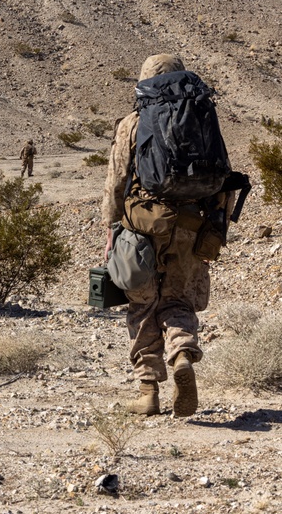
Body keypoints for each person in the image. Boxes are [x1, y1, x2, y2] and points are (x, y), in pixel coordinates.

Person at [102, 54, 230, 418]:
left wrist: (112, 229)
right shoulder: (202, 118)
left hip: (142, 228)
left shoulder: (133, 122)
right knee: (178, 302)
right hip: (190, 229)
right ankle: (182, 357)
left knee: (142, 306)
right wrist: (215, 228)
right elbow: (223, 179)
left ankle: (148, 392)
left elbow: (115, 181)